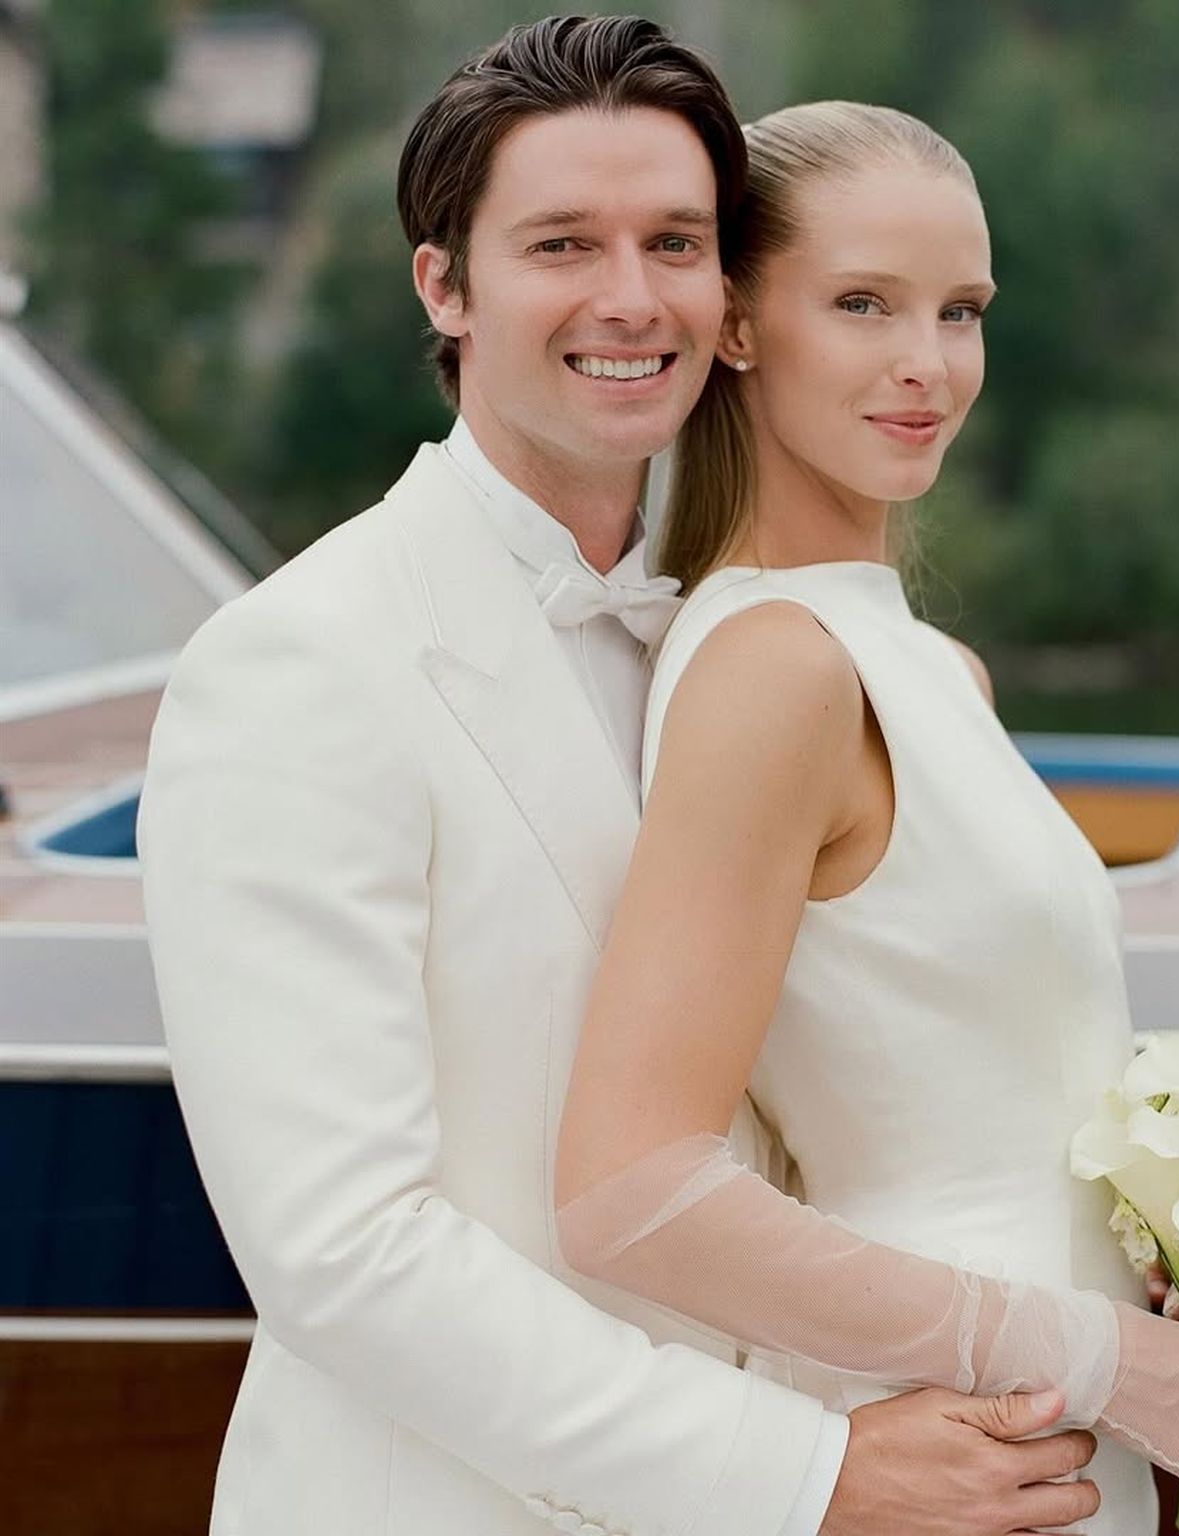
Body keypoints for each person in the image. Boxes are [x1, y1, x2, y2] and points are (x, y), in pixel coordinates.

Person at [137, 18, 1105, 1536]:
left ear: (730, 291)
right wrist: (809, 1473)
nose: (632, 299)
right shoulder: (296, 666)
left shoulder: (752, 635)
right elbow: (344, 1252)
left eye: (675, 243)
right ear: (444, 286)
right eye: (562, 245)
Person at [554, 102, 1179, 1535]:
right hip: (956, 1441)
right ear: (737, 323)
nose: (928, 361)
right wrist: (1100, 1357)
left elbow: (993, 1072)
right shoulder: (775, 667)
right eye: (863, 304)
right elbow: (627, 1190)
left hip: (1081, 1424)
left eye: (960, 310)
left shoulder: (930, 666)